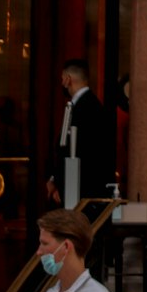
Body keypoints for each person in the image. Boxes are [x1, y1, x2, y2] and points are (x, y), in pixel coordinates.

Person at [46, 59, 111, 207]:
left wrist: (60, 184)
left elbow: (75, 149)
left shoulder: (85, 107)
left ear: (68, 79)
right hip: (76, 187)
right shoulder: (86, 105)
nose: (62, 83)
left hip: (80, 190)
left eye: (62, 78)